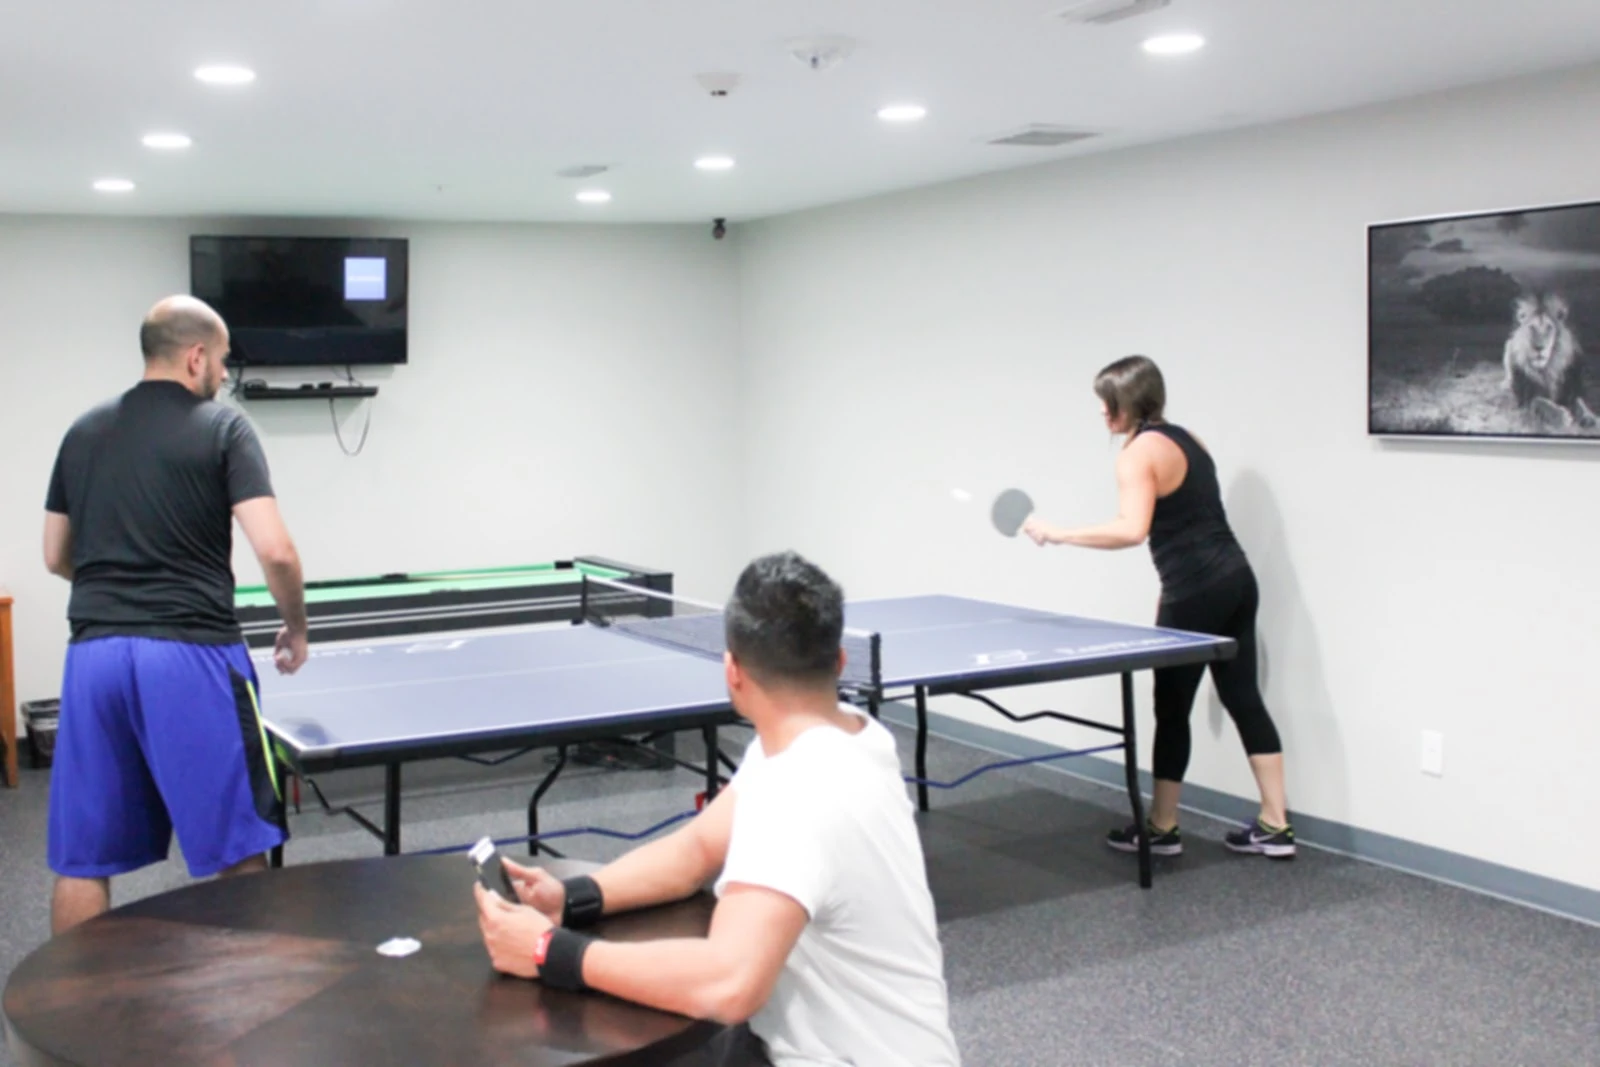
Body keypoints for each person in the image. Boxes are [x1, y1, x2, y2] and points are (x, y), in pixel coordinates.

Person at [475, 551, 961, 1067]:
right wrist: (572, 899)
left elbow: (729, 984)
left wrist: (548, 951)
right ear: (840, 661)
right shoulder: (847, 735)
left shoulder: (796, 791)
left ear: (732, 671)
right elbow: (695, 850)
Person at [42, 294, 311, 934]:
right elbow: (275, 550)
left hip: (94, 655)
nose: (224, 373)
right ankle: (248, 989)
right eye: (222, 360)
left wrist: (119, 587)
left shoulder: (82, 431)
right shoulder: (224, 428)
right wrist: (297, 626)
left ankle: (68, 996)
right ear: (195, 357)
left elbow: (55, 555)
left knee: (82, 859)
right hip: (191, 653)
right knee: (239, 845)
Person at [1020, 354, 1293, 860]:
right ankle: (1276, 825)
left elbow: (1132, 529)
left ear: (1128, 402)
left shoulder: (1137, 454)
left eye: (1107, 402)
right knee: (1243, 698)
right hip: (1236, 581)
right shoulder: (1189, 439)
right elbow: (1188, 522)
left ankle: (1163, 827)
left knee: (1170, 709)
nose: (1102, 411)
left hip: (1195, 591)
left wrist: (1058, 533)